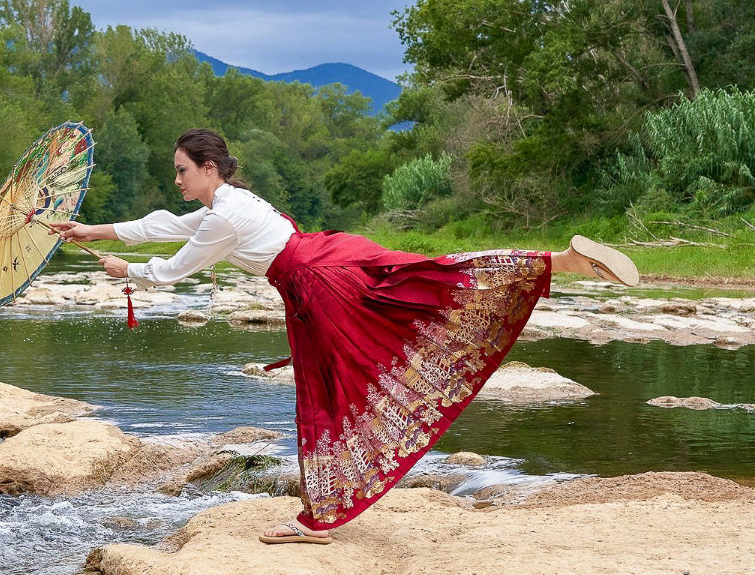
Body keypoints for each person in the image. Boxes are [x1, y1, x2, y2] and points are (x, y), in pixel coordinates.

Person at [50, 128, 639, 545]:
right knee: (426, 278)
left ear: (208, 168)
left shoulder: (223, 216)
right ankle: (557, 261)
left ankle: (321, 517)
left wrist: (131, 273)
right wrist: (90, 229)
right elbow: (161, 225)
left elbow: (179, 263)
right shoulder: (233, 201)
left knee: (339, 395)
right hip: (332, 254)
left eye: (181, 169)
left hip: (319, 286)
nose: (175, 179)